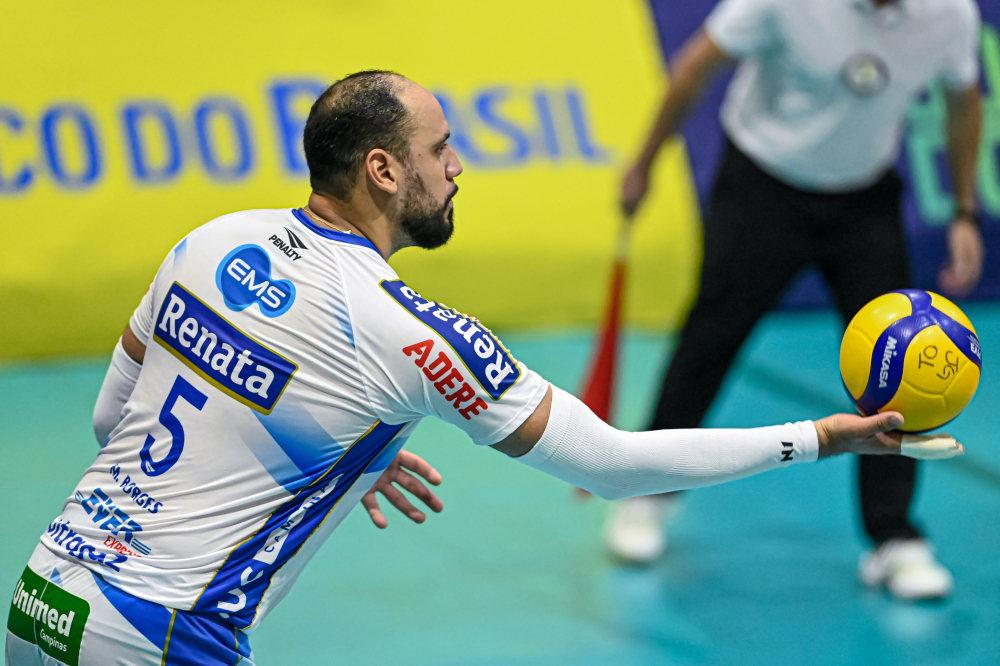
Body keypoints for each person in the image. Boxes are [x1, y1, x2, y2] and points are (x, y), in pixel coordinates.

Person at [6, 71, 964, 666]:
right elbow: (610, 466)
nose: (457, 166)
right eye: (440, 148)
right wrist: (820, 437)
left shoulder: (209, 239)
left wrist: (338, 446)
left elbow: (113, 422)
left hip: (43, 593)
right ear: (384, 171)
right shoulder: (411, 333)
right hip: (162, 636)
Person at [610, 0, 984, 600]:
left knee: (903, 366)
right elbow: (694, 67)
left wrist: (964, 212)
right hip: (762, 188)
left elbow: (964, 101)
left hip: (864, 199)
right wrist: (644, 165)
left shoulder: (950, 13)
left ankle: (894, 538)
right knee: (710, 340)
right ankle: (648, 491)